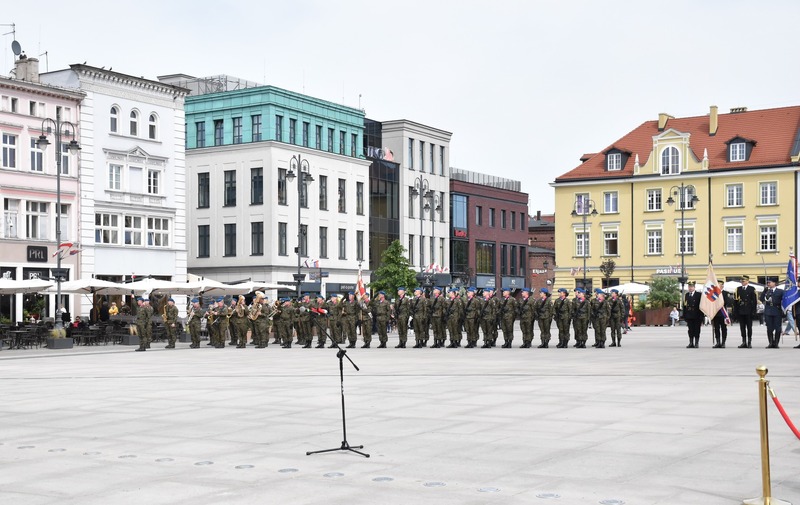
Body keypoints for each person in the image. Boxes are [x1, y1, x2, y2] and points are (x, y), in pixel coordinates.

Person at [735, 275, 758, 348]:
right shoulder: (738, 289)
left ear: (747, 281)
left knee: (749, 327)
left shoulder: (751, 289)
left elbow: (754, 301)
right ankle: (744, 341)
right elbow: (735, 301)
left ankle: (749, 342)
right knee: (742, 327)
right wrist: (735, 312)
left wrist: (754, 311)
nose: (742, 282)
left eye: (744, 281)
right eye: (741, 281)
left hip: (749, 310)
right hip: (741, 310)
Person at [761, 278, 784, 349]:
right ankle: (771, 343)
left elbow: (784, 301)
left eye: (770, 282)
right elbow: (761, 299)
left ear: (774, 283)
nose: (768, 284)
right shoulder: (766, 291)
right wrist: (764, 292)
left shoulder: (780, 291)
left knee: (778, 328)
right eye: (768, 282)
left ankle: (776, 343)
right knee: (769, 328)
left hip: (777, 310)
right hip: (768, 311)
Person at [712, 280, 732, 349]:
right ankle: (718, 342)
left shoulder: (725, 293)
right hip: (716, 313)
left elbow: (727, 302)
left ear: (722, 286)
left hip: (723, 314)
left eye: (719, 285)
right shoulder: (714, 293)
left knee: (723, 328)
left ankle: (723, 342)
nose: (717, 286)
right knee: (716, 328)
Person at [683, 281, 702, 348]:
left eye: (691, 287)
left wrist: (701, 316)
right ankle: (691, 342)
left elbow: (701, 306)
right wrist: (684, 315)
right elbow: (685, 306)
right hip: (689, 315)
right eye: (689, 287)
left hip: (697, 315)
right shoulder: (687, 295)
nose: (690, 288)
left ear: (694, 287)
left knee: (697, 329)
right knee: (690, 330)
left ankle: (696, 343)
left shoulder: (699, 295)